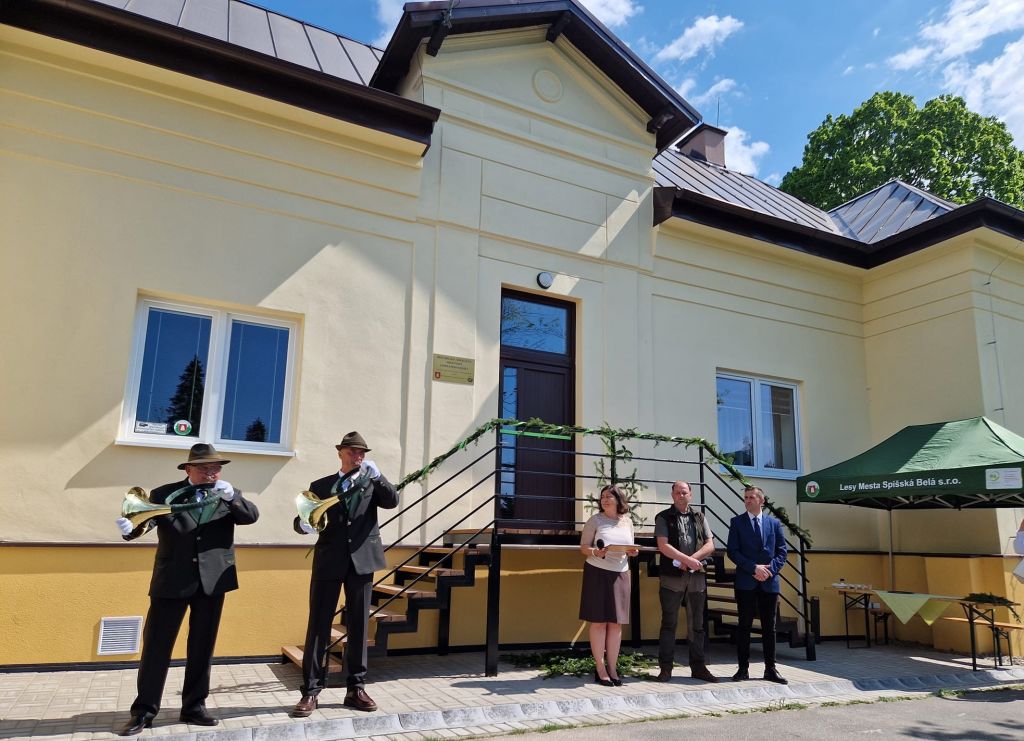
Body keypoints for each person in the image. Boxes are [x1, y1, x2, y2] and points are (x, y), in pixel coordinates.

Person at [114, 443, 259, 735]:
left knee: (202, 647)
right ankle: (144, 711)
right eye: (204, 468)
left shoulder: (227, 493)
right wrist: (130, 530)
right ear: (189, 469)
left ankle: (194, 707)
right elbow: (146, 521)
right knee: (156, 647)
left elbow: (251, 516)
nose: (211, 473)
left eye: (215, 468)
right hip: (172, 579)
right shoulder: (165, 493)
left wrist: (233, 498)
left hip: (212, 581)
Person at [292, 431, 399, 716]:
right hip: (329, 560)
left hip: (362, 561)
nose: (357, 456)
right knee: (318, 624)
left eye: (361, 452)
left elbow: (392, 501)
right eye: (352, 451)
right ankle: (311, 690)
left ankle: (356, 688)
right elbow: (305, 516)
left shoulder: (370, 482)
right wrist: (304, 525)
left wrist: (379, 478)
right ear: (340, 453)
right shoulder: (321, 485)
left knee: (359, 625)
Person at [653, 481, 718, 682]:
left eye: (684, 492)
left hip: (696, 578)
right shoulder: (663, 517)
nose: (681, 495)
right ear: (672, 495)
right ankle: (665, 669)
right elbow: (663, 545)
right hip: (672, 578)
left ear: (691, 494)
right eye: (677, 492)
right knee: (669, 624)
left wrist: (691, 560)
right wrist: (685, 560)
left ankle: (698, 668)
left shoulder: (700, 516)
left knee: (697, 625)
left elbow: (710, 544)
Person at [726, 486, 788, 684]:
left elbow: (782, 552)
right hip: (746, 582)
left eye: (751, 497)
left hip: (769, 582)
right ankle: (743, 669)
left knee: (769, 627)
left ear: (762, 500)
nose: (747, 500)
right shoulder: (737, 522)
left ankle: (770, 669)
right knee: (744, 625)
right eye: (745, 497)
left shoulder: (774, 523)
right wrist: (753, 568)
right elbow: (733, 551)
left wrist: (769, 570)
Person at [578, 484, 638, 687]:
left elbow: (630, 546)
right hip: (597, 571)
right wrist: (596, 552)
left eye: (609, 496)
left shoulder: (627, 521)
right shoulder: (595, 520)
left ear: (618, 500)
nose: (604, 499)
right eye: (602, 496)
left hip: (621, 573)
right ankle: (600, 668)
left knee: (616, 623)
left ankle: (612, 668)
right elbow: (584, 548)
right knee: (599, 622)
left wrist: (632, 552)